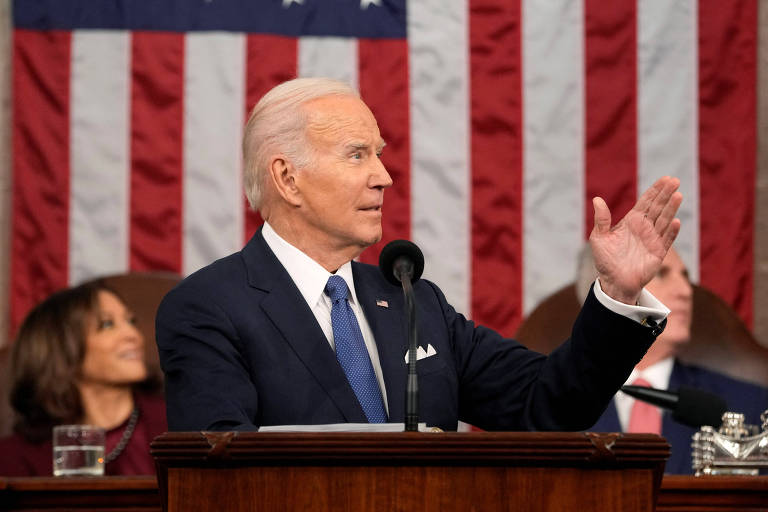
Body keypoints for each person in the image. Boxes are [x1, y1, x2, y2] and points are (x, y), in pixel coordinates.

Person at [156, 77, 683, 433]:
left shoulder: (414, 301)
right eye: (357, 155)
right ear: (287, 178)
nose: (383, 177)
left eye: (379, 155)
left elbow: (549, 403)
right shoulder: (208, 309)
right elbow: (220, 481)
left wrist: (616, 294)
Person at [580, 247, 768, 474]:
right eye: (661, 274)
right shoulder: (546, 402)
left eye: (685, 277)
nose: (685, 291)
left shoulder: (750, 407)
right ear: (605, 295)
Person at [0, 280, 167, 476]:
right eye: (107, 324)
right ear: (62, 348)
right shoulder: (13, 457)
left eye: (130, 321)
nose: (133, 335)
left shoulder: (176, 425)